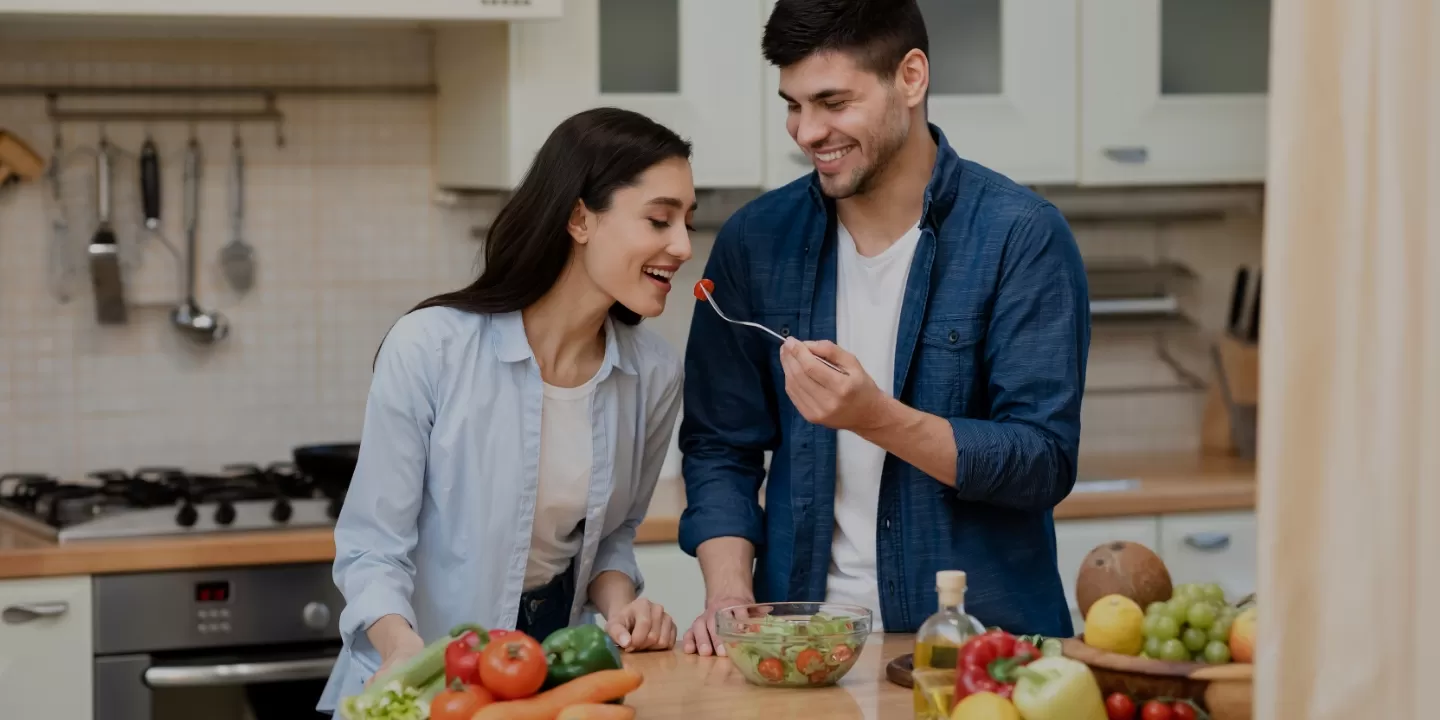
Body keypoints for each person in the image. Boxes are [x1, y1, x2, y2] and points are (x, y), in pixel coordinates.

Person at [678, 0, 1091, 655]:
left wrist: (875, 417)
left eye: (833, 102)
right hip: (802, 650)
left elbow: (1041, 462)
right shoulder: (755, 243)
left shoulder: (1020, 237)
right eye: (792, 104)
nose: (807, 132)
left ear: (911, 77)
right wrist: (729, 594)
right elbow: (718, 447)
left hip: (982, 653)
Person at [317, 107, 695, 712]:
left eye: (687, 221)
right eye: (659, 220)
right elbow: (372, 548)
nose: (681, 245)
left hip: (549, 681)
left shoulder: (652, 372)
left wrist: (625, 611)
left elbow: (613, 538)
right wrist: (401, 652)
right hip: (420, 681)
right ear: (578, 218)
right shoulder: (431, 347)